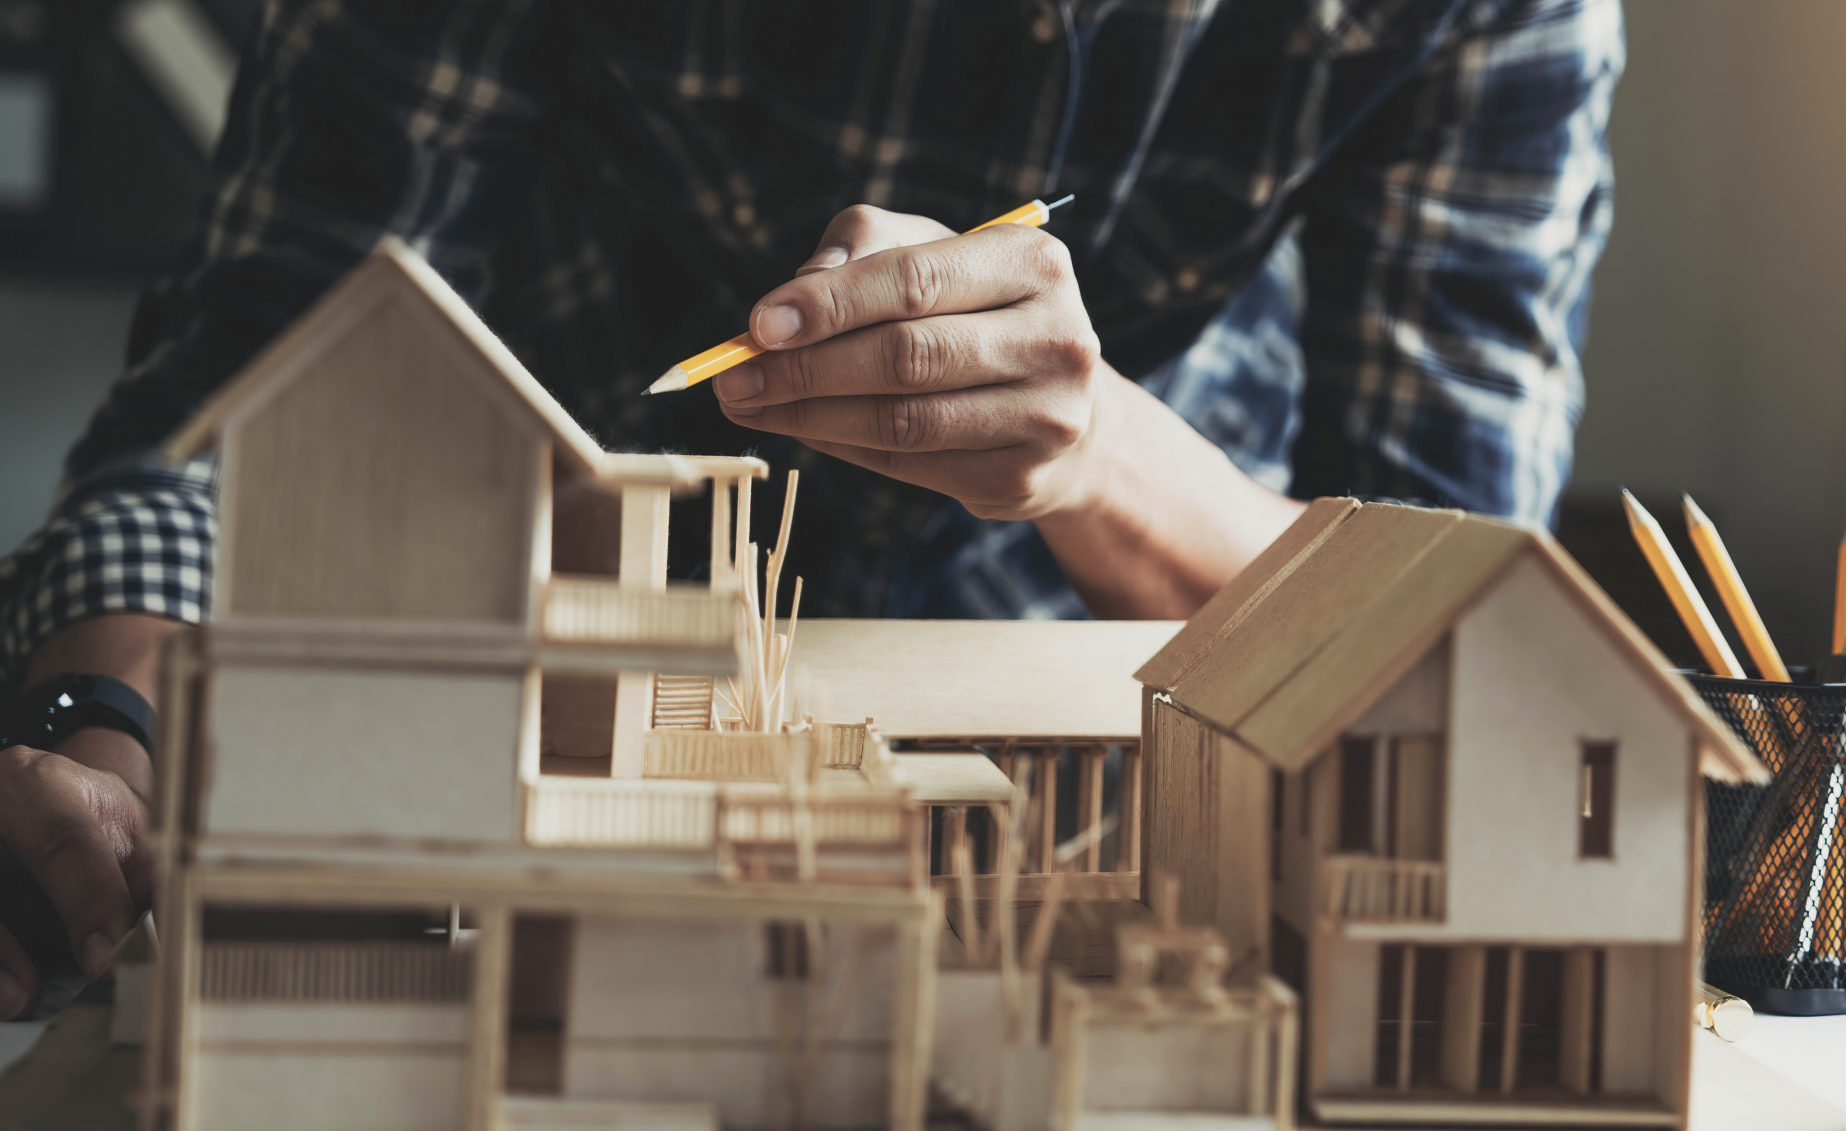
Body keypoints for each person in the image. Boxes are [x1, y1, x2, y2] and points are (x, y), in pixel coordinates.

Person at [0, 0, 1621, 1018]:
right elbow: (256, 388)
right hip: (523, 758)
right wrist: (104, 741)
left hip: (1098, 815)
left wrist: (1100, 457)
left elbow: (1457, 610)